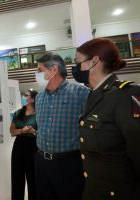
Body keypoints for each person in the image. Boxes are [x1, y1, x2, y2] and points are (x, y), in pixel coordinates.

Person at [73, 38, 140, 200]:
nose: (76, 68)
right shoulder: (94, 94)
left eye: (79, 62)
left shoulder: (128, 94)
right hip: (95, 191)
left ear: (94, 61)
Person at [34, 52, 90, 200]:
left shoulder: (81, 93)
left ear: (53, 70)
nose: (37, 74)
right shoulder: (39, 97)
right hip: (41, 162)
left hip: (69, 164)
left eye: (40, 70)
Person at [10, 89, 38, 200]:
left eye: (26, 95)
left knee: (33, 180)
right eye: (23, 95)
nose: (23, 97)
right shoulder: (18, 113)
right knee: (17, 178)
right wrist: (21, 131)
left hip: (33, 147)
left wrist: (32, 131)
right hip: (18, 146)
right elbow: (12, 130)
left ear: (33, 99)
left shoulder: (39, 113)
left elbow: (42, 133)